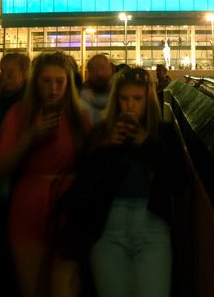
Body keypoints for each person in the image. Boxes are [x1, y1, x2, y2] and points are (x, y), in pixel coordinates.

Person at [0, 53, 91, 297]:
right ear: (35, 82)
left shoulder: (80, 117)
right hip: (29, 205)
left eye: (59, 82)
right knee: (32, 285)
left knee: (64, 285)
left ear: (69, 84)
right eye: (46, 81)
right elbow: (0, 167)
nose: (53, 88)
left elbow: (91, 163)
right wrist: (30, 136)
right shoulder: (20, 114)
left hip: (68, 206)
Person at [83, 67, 180, 297]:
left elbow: (177, 180)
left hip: (151, 225)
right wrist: (106, 147)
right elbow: (86, 178)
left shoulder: (162, 132)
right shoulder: (101, 132)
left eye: (137, 99)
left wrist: (147, 144)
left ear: (148, 99)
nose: (130, 105)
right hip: (109, 224)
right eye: (124, 98)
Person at [81, 54, 114, 123]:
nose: (99, 73)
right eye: (93, 69)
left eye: (103, 67)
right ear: (88, 73)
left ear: (111, 68)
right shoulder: (79, 101)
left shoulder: (122, 97)